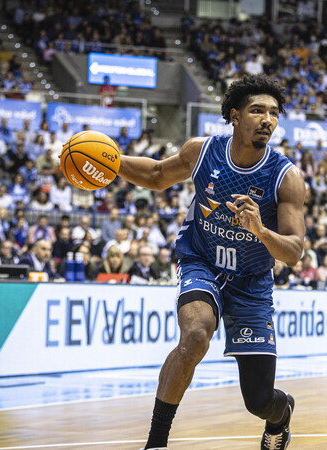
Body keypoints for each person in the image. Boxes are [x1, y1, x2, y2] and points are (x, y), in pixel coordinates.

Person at [115, 74, 305, 450]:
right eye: (257, 111)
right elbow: (155, 175)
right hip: (201, 261)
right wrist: (109, 161)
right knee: (195, 336)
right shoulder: (201, 151)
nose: (267, 119)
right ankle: (155, 444)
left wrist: (262, 232)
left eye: (273, 112)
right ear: (235, 116)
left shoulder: (286, 176)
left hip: (252, 281)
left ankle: (281, 414)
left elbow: (295, 252)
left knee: (259, 401)